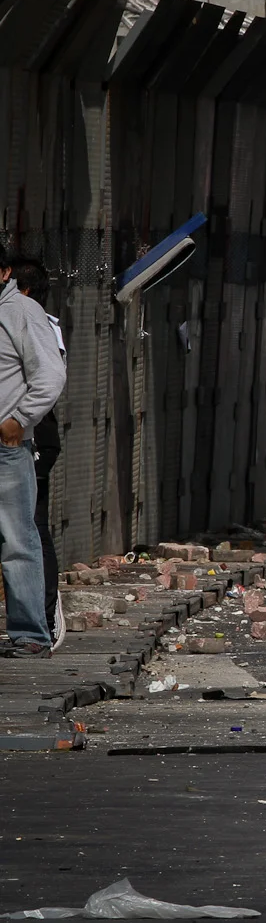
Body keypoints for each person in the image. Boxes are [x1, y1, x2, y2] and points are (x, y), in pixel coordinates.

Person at [0, 251, 64, 657]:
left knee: (17, 540)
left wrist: (18, 420)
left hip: (6, 448)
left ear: (4, 272)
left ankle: (30, 635)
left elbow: (51, 374)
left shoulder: (22, 311)